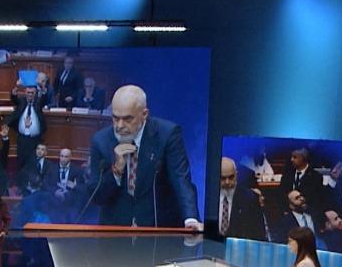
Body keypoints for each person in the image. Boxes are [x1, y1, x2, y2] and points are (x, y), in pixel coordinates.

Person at [88, 85, 202, 229]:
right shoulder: (101, 141)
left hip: (157, 228)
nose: (120, 125)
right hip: (116, 230)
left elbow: (181, 180)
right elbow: (96, 197)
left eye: (128, 119)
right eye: (115, 118)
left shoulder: (167, 134)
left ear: (144, 114)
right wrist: (116, 170)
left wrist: (190, 218)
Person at [218, 157, 266, 240]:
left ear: (236, 174)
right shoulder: (210, 197)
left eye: (231, 177)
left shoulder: (250, 198)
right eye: (223, 178)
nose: (227, 182)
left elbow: (259, 235)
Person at [7, 83, 47, 170]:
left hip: (35, 139)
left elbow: (44, 99)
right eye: (28, 92)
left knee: (33, 162)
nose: (30, 95)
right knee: (21, 161)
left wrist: (43, 90)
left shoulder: (38, 102)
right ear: (25, 92)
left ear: (35, 93)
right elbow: (14, 100)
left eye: (32, 93)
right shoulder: (22, 101)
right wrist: (14, 92)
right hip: (22, 138)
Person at [50, 148, 86, 223]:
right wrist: (55, 192)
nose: (63, 159)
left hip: (71, 203)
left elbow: (83, 188)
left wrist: (74, 187)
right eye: (62, 156)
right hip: (54, 201)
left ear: (70, 157)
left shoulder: (78, 170)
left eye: (66, 157)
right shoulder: (51, 168)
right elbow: (46, 184)